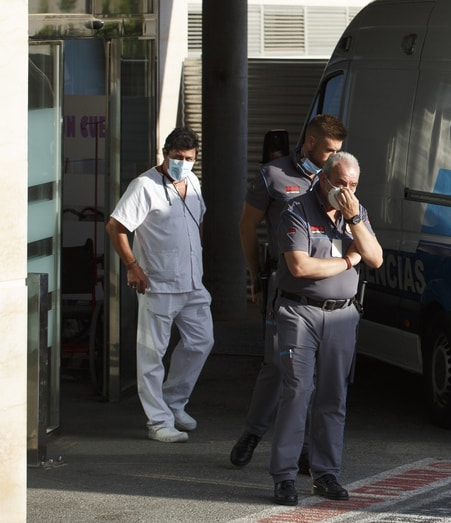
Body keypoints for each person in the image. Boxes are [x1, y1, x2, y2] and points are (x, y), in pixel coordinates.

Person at [230, 115, 347, 468]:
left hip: (327, 282)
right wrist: (255, 275)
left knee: (316, 375)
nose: (332, 157)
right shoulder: (274, 175)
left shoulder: (338, 175)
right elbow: (247, 226)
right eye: (328, 150)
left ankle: (308, 448)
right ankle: (254, 431)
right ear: (310, 142)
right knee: (277, 366)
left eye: (338, 152)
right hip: (285, 284)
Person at [269, 151, 382, 506]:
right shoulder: (296, 210)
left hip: (342, 316)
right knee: (298, 391)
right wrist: (349, 260)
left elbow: (376, 257)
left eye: (353, 185)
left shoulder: (355, 213)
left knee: (333, 396)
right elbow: (301, 267)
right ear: (322, 178)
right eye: (340, 183)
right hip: (300, 312)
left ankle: (326, 473)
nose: (346, 191)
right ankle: (285, 476)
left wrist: (355, 223)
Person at [105, 127, 214, 443]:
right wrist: (132, 266)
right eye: (177, 157)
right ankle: (157, 421)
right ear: (165, 154)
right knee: (152, 354)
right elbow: (116, 226)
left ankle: (174, 402)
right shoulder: (144, 185)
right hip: (159, 282)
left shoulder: (192, 181)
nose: (183, 163)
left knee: (201, 341)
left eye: (189, 158)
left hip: (193, 281)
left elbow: (200, 218)